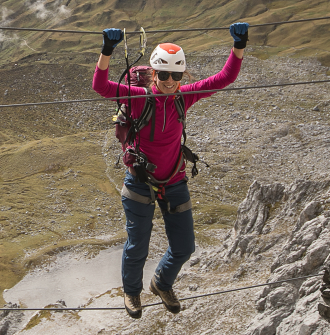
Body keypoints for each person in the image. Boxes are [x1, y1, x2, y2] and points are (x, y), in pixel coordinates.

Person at [92, 23, 248, 318]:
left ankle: (161, 283)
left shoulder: (183, 97)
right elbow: (100, 87)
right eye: (163, 74)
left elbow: (225, 77)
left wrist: (239, 45)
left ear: (182, 76)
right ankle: (132, 292)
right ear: (153, 74)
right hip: (140, 181)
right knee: (138, 245)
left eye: (175, 75)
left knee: (185, 247)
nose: (169, 81)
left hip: (174, 181)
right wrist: (106, 51)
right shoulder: (137, 98)